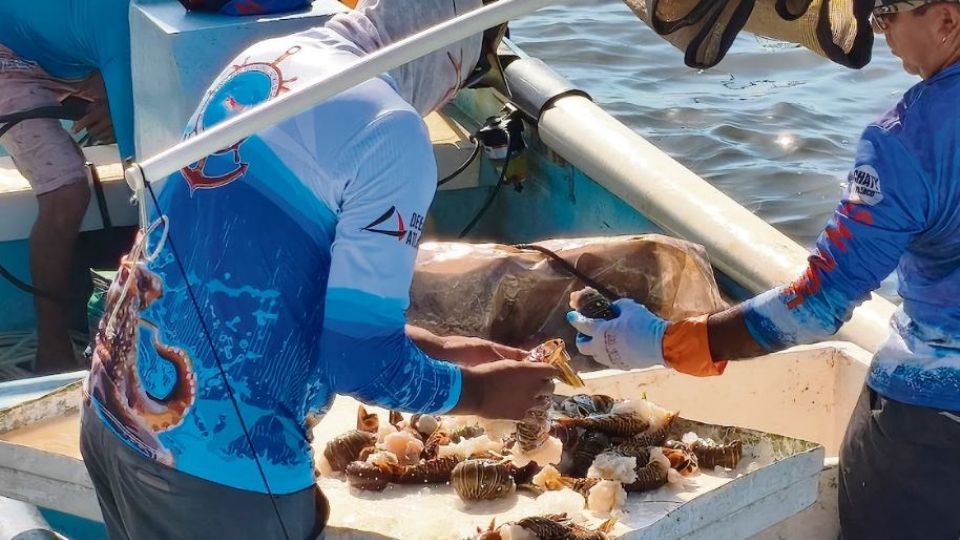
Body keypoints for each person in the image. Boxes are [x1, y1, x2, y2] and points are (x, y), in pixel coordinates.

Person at [79, 0, 555, 538]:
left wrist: (443, 350)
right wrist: (483, 395)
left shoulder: (271, 56)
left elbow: (259, 284)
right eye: (475, 67)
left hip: (112, 410)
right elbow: (361, 365)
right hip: (220, 469)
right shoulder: (390, 130)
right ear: (454, 48)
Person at [568, 1, 960, 538]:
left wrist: (667, 342)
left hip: (931, 434)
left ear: (947, 21)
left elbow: (819, 303)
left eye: (886, 10)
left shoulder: (908, 140)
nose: (879, 26)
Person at [0, 1, 136, 374]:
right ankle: (52, 351)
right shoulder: (120, 19)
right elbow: (140, 168)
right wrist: (121, 106)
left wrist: (116, 97)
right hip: (9, 56)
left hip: (74, 55)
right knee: (66, 193)